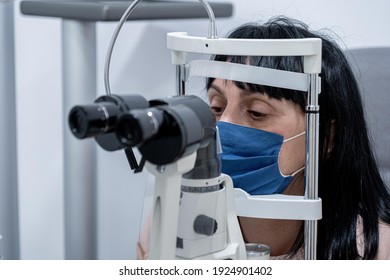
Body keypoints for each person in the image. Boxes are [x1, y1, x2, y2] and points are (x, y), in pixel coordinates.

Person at [137, 16, 390, 260]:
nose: (222, 127)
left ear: (326, 138)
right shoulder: (171, 222)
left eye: (256, 113)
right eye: (215, 107)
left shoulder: (375, 249)